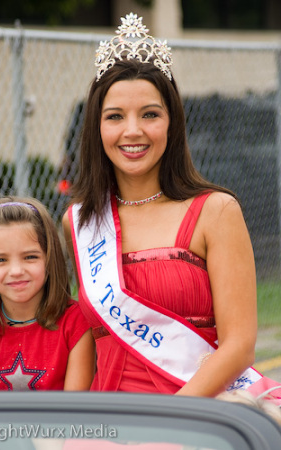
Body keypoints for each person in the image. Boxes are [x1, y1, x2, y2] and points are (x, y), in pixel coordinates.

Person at [62, 12, 261, 397]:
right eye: (115, 116)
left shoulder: (215, 211)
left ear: (171, 123)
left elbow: (239, 346)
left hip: (198, 415)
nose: (132, 130)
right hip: (110, 420)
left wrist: (171, 420)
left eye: (150, 114)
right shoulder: (80, 224)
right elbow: (83, 342)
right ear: (97, 128)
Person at [0, 197, 95, 391]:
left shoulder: (77, 323)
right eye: (0, 260)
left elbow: (75, 412)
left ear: (49, 261)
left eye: (30, 257)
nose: (16, 270)